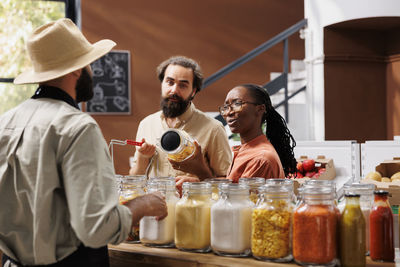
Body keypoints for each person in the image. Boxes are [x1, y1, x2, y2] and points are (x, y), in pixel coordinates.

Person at [0, 18, 167, 267]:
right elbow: (97, 228)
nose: (92, 70)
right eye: (88, 63)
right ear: (76, 69)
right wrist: (144, 204)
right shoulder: (77, 127)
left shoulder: (5, 122)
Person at [129, 56, 232, 189]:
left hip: (193, 207)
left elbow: (226, 181)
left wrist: (199, 183)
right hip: (153, 206)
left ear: (193, 91)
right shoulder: (146, 124)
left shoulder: (214, 128)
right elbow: (135, 179)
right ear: (162, 84)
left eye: (183, 85)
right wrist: (143, 157)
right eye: (170, 82)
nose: (174, 90)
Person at [219, 83, 297, 183]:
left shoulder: (260, 159)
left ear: (260, 109)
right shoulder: (244, 150)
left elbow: (239, 198)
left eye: (237, 104)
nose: (229, 112)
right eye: (226, 107)